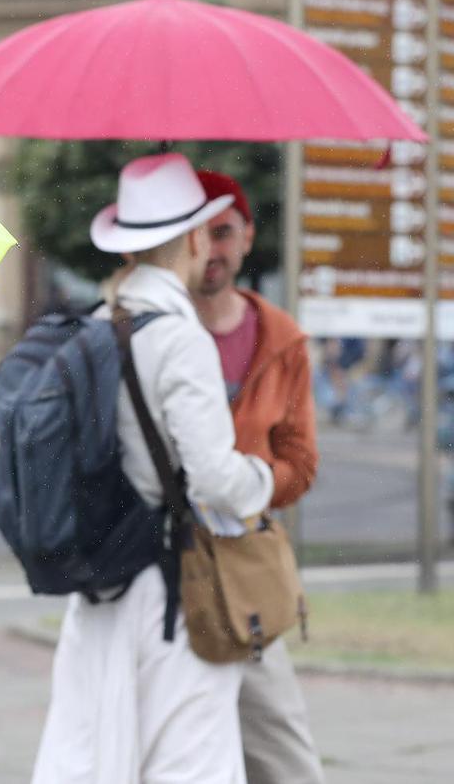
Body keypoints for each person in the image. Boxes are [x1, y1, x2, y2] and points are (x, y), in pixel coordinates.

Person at [32, 154, 274, 784]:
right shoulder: (179, 337)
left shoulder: (93, 327)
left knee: (91, 755)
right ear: (195, 238)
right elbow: (216, 480)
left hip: (101, 582)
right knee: (189, 762)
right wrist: (262, 478)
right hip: (171, 591)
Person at [193, 169, 324, 784]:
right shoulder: (147, 330)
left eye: (223, 232)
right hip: (159, 564)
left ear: (247, 237)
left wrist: (241, 482)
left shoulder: (281, 338)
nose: (211, 249)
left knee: (284, 754)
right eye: (195, 234)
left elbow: (300, 463)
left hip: (243, 567)